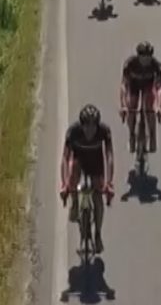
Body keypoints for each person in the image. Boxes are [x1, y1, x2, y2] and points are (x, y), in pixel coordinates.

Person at [60, 104, 115, 255]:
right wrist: (64, 184)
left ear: (98, 125)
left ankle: (97, 234)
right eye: (86, 126)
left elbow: (109, 157)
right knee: (72, 170)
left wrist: (109, 183)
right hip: (79, 163)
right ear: (81, 125)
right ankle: (75, 202)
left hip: (96, 165)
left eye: (93, 126)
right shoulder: (73, 132)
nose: (90, 130)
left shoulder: (104, 132)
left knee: (98, 196)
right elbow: (65, 158)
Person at [118, 41, 161, 154]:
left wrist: (159, 106)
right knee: (132, 105)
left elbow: (159, 88)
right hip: (134, 86)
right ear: (138, 56)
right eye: (143, 58)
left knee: (149, 107)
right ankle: (131, 135)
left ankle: (152, 135)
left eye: (148, 57)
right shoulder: (129, 64)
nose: (146, 60)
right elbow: (124, 85)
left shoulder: (157, 66)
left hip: (148, 86)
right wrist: (123, 106)